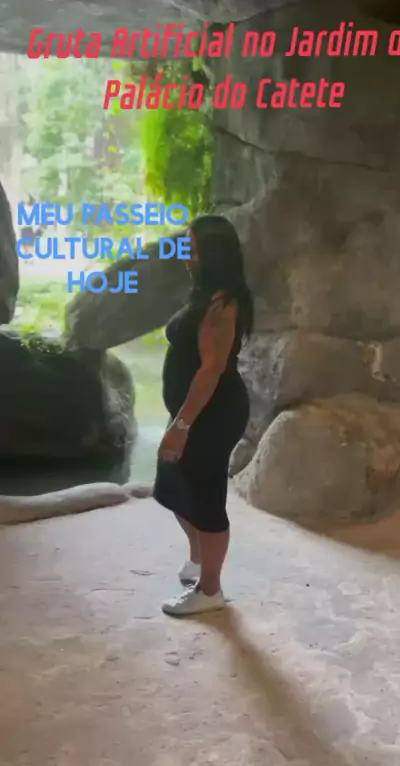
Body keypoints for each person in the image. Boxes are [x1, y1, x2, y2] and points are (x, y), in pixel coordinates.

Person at [155, 215, 253, 617]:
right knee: (172, 485)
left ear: (213, 253)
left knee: (206, 496)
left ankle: (210, 589)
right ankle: (198, 560)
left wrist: (182, 426)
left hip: (212, 413)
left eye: (192, 249)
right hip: (192, 411)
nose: (185, 255)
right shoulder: (205, 293)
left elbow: (211, 370)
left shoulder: (223, 303)